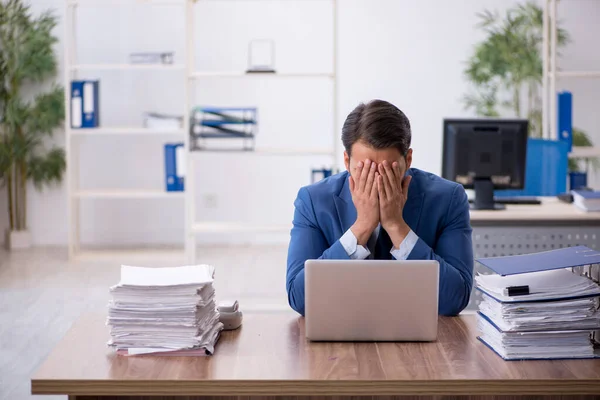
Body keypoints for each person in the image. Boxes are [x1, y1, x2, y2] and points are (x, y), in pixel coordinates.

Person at [286, 99, 473, 317]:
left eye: (388, 171)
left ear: (408, 159)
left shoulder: (448, 199)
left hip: (419, 336)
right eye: (364, 170)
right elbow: (300, 299)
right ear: (347, 161)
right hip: (343, 332)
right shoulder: (313, 201)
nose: (376, 182)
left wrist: (397, 227)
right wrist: (361, 228)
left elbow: (455, 299)